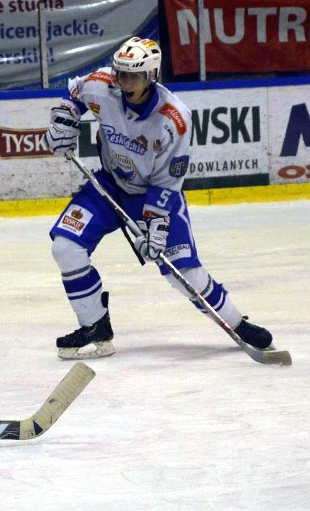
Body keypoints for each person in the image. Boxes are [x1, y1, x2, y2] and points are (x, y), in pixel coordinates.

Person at [43, 37, 273, 360]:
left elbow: (168, 182)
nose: (125, 83)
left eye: (134, 76)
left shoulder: (174, 117)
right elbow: (74, 94)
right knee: (65, 247)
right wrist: (63, 121)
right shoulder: (102, 87)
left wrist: (156, 226)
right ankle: (95, 327)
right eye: (122, 74)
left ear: (151, 75)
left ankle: (237, 324)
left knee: (183, 275)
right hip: (109, 185)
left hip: (153, 194)